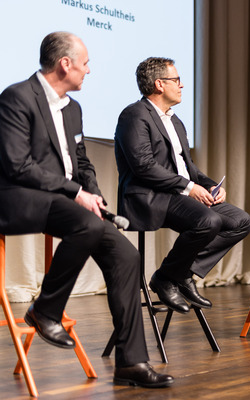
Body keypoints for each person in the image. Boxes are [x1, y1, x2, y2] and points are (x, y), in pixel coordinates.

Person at [0, 32, 173, 387]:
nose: (89, 70)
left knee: (125, 256)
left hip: (64, 203)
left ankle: (131, 363)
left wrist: (94, 196)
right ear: (65, 64)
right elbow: (17, 165)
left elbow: (81, 162)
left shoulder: (73, 108)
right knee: (85, 223)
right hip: (17, 196)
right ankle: (45, 310)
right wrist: (75, 193)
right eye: (86, 63)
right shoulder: (17, 98)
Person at [114, 57, 250, 314]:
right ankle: (168, 278)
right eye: (176, 80)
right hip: (150, 197)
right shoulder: (134, 115)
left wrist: (210, 186)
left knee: (240, 220)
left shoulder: (175, 121)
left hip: (179, 196)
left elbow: (188, 168)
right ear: (159, 84)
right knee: (208, 221)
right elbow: (143, 166)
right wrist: (190, 188)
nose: (182, 85)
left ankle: (177, 273)